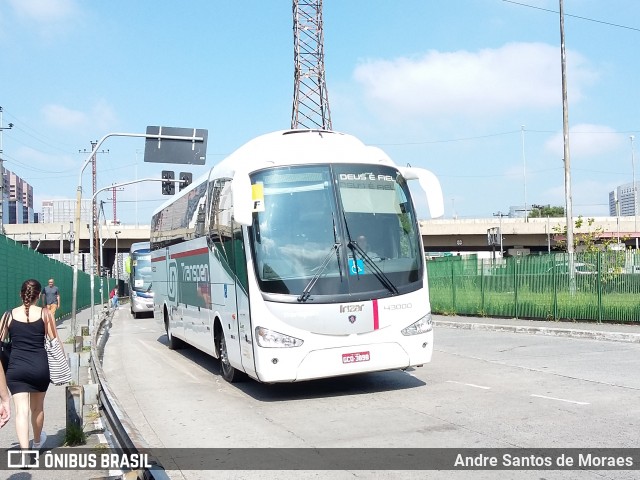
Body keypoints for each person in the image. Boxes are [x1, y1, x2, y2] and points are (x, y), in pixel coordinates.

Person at [4, 279, 63, 454]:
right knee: (37, 408)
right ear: (39, 296)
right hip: (40, 367)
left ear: (20, 294)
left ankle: (24, 453)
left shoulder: (9, 315)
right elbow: (55, 342)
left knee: (21, 412)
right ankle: (37, 443)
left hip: (16, 369)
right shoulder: (45, 314)